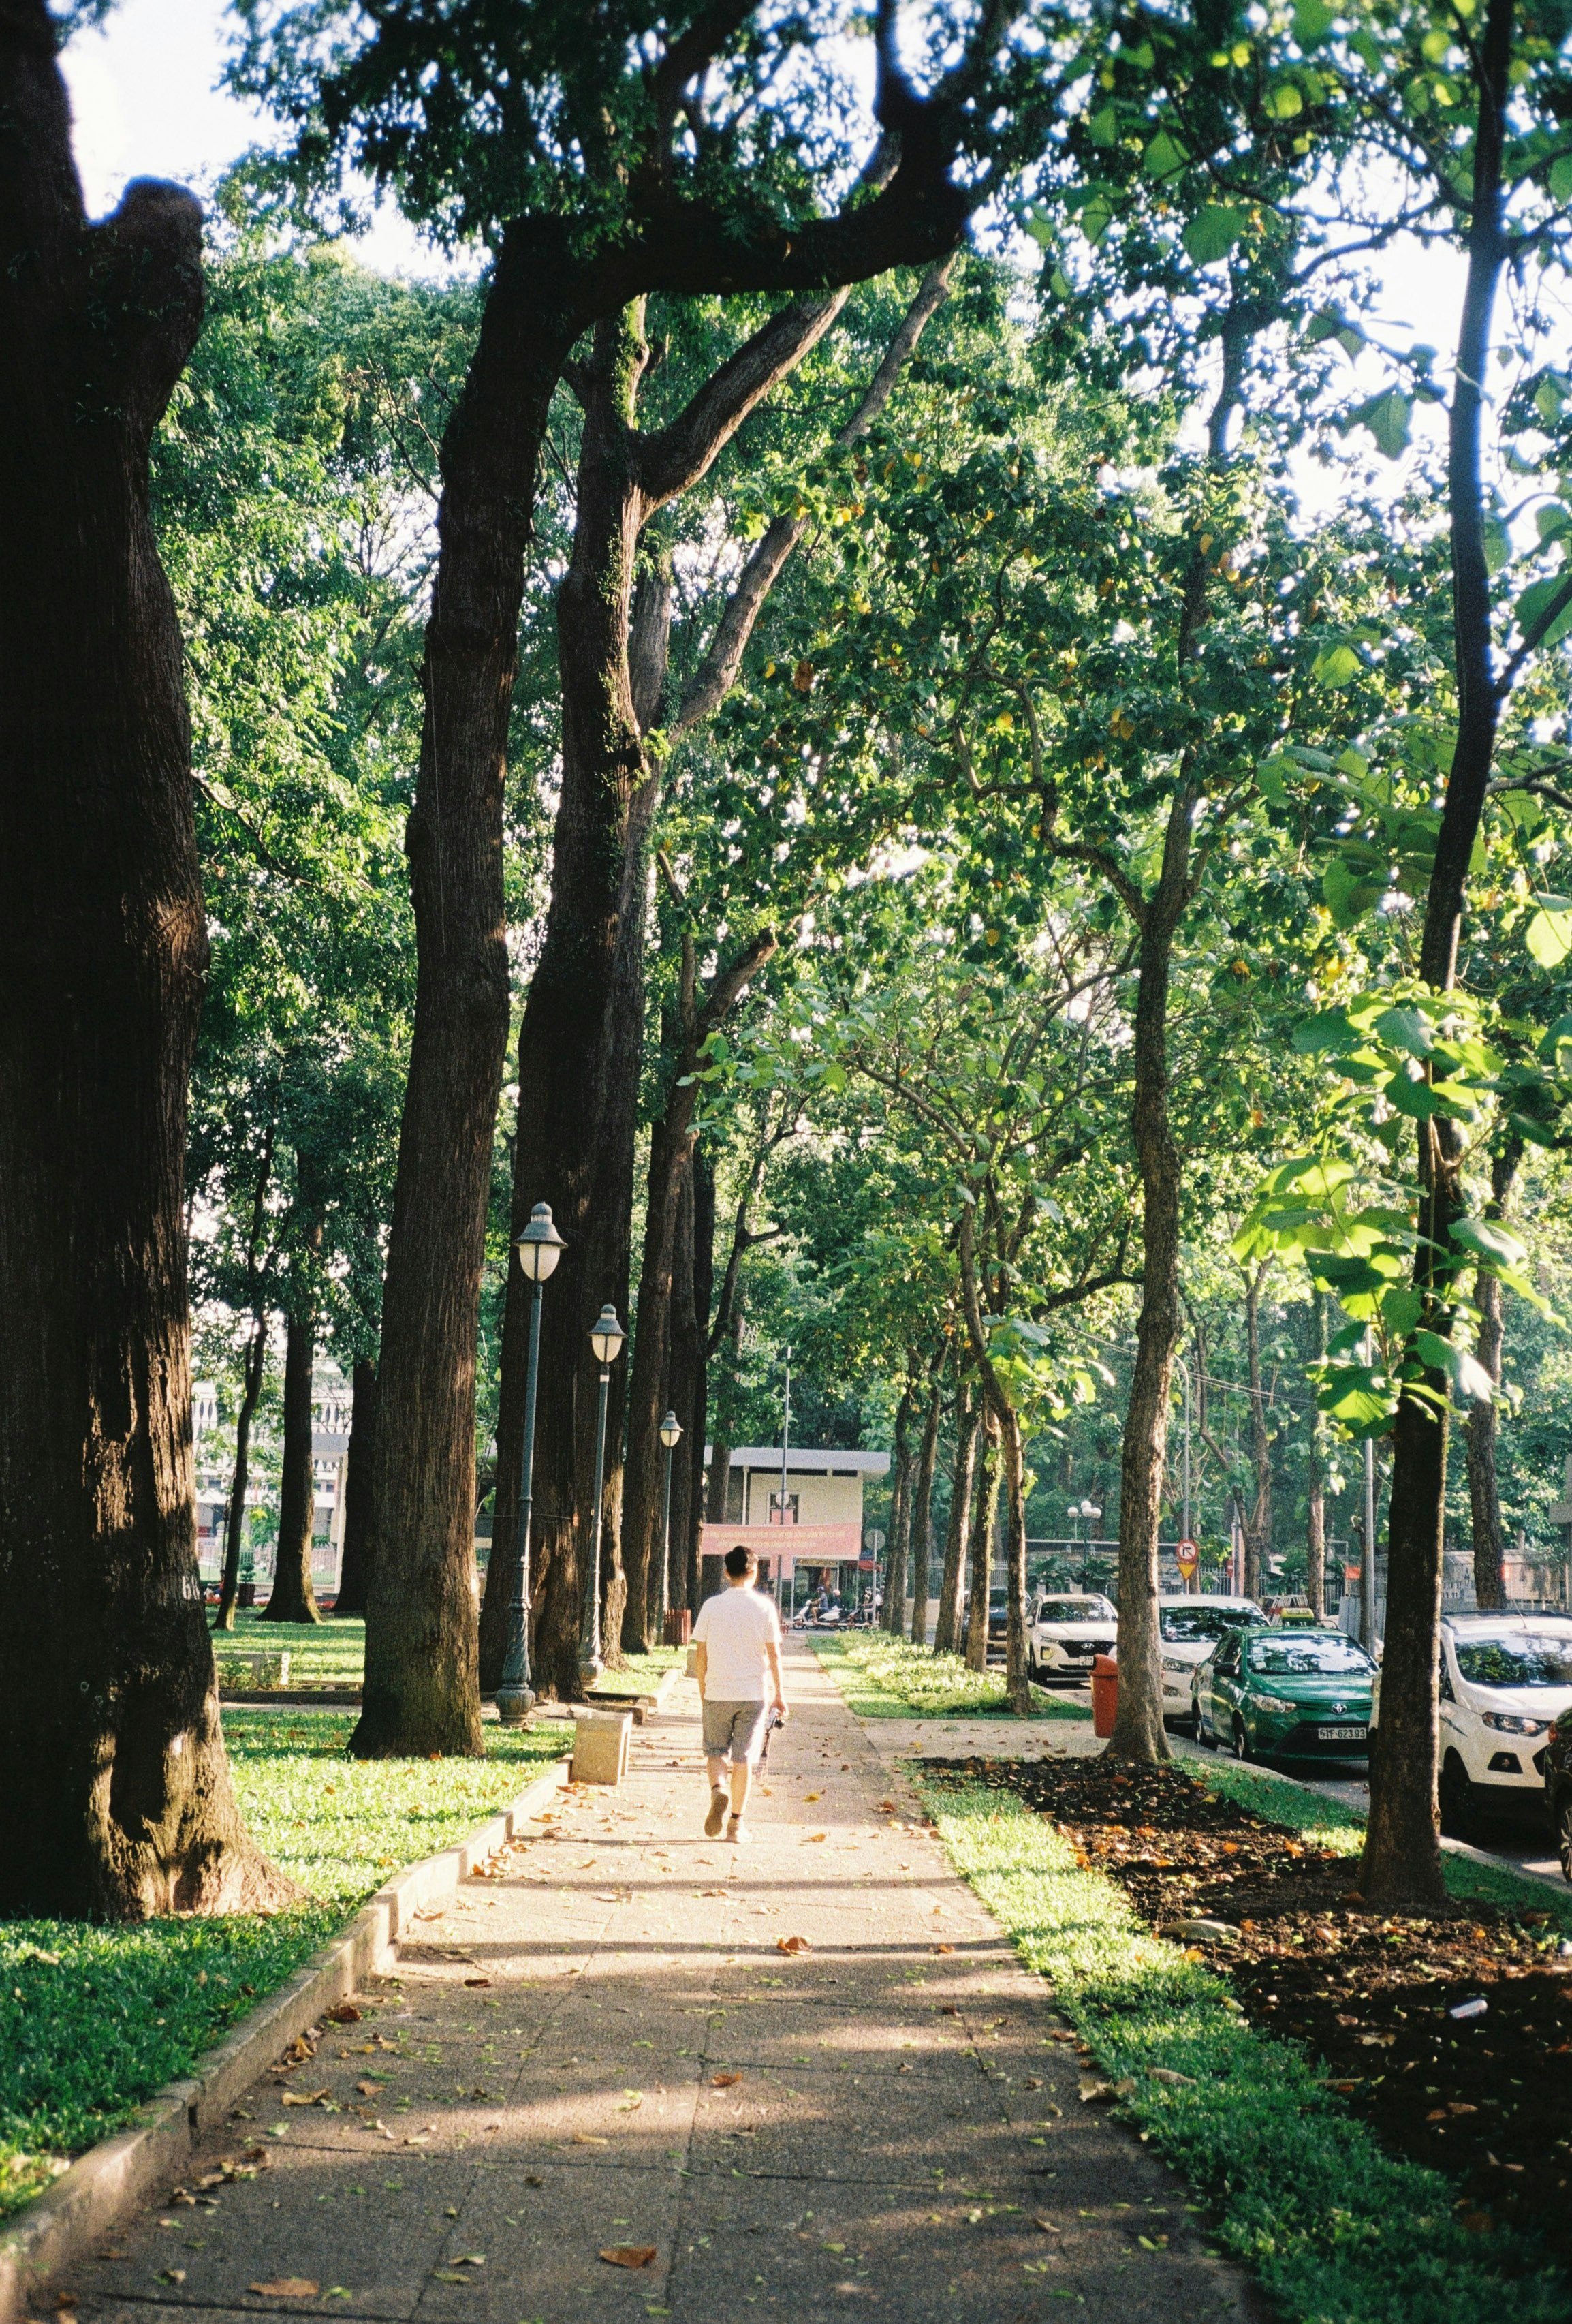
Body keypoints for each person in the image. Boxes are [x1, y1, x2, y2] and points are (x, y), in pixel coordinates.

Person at [692, 1543, 787, 1844]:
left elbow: (701, 1655)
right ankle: (735, 1825)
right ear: (754, 1572)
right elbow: (774, 1656)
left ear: (725, 1572)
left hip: (718, 1691)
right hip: (753, 1695)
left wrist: (704, 1690)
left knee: (715, 1752)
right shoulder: (764, 1608)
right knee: (743, 1759)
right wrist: (780, 1695)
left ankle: (718, 1790)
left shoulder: (711, 1606)